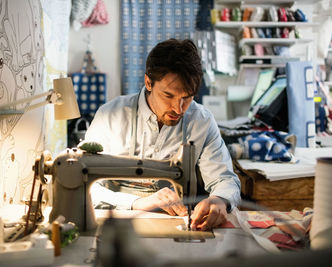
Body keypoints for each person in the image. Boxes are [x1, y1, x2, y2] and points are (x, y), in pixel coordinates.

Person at [83, 38, 240, 230]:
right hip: (119, 225)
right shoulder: (110, 116)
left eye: (187, 98)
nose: (179, 108)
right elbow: (85, 184)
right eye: (169, 96)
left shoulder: (201, 121)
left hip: (176, 224)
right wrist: (134, 202)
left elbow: (225, 180)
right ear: (148, 82)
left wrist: (219, 199)